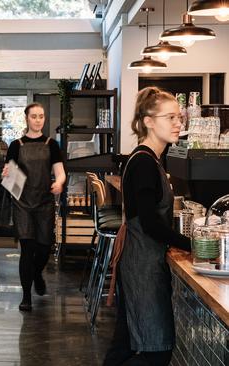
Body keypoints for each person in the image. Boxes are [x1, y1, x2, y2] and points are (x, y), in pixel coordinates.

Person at [103, 87, 190, 366]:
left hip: (140, 259)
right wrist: (194, 246)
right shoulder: (143, 163)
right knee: (156, 351)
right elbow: (151, 224)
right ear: (148, 121)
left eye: (179, 117)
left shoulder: (149, 159)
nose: (178, 124)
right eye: (170, 117)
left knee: (125, 345)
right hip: (142, 264)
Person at [2, 102, 65, 311]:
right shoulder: (16, 145)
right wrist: (6, 174)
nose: (38, 120)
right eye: (34, 116)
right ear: (27, 119)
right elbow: (9, 174)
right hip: (22, 202)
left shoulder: (51, 144)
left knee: (44, 247)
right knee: (27, 250)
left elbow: (60, 171)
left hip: (44, 201)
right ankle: (26, 296)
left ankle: (37, 273)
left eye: (41, 116)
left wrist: (59, 183)